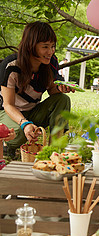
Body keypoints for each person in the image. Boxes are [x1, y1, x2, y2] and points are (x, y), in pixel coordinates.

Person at [0, 21, 73, 159]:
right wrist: (25, 124)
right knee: (19, 132)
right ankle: (7, 146)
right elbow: (8, 104)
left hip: (32, 111)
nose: (50, 51)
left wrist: (60, 88)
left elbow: (52, 91)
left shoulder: (51, 62)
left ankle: (53, 154)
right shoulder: (11, 66)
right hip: (6, 112)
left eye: (52, 46)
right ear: (30, 46)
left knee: (63, 99)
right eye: (45, 47)